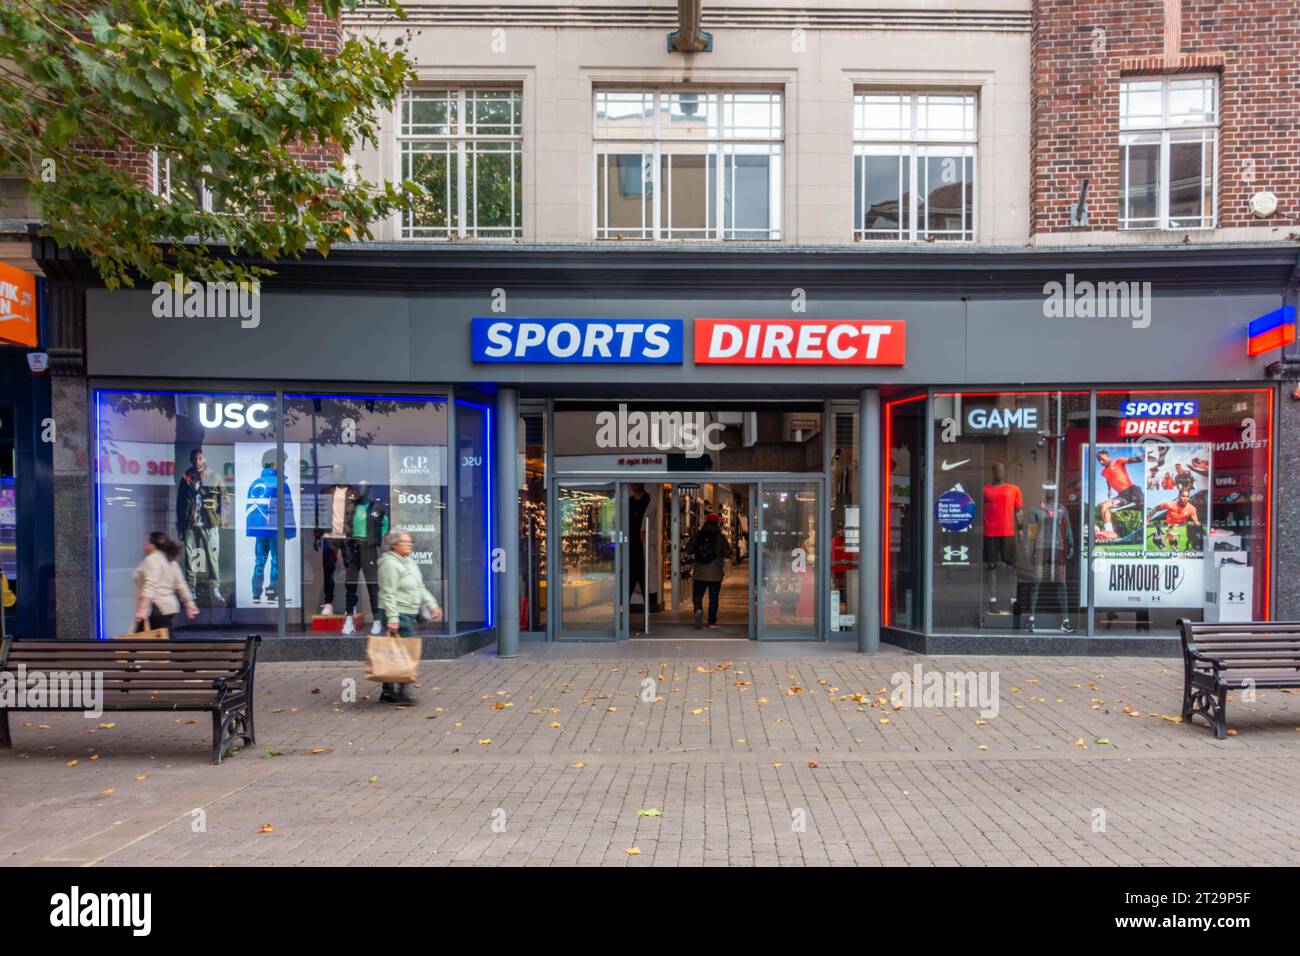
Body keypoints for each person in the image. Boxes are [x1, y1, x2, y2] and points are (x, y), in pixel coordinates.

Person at [376, 529, 442, 704]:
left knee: (396, 653)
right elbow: (387, 593)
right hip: (398, 612)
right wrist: (392, 618)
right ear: (394, 545)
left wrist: (432, 604)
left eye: (410, 542)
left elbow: (419, 587)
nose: (410, 545)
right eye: (405, 542)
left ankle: (389, 692)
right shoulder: (389, 564)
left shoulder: (408, 561)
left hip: (408, 612)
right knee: (408, 652)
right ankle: (401, 691)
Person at [176, 447, 226, 605]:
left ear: (204, 459)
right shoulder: (186, 478)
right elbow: (180, 503)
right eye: (195, 459)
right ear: (191, 460)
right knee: (190, 557)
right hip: (191, 522)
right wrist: (180, 524)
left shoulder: (214, 477)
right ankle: (191, 589)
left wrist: (221, 520)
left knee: (212, 557)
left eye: (200, 458)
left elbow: (224, 500)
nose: (198, 462)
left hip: (209, 523)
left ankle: (214, 589)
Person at [246, 449, 297, 604]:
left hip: (259, 532)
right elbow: (287, 510)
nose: (284, 466)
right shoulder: (281, 483)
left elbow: (250, 509)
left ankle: (256, 594)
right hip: (275, 531)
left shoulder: (255, 483)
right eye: (283, 463)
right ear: (275, 464)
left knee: (259, 561)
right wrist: (290, 531)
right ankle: (273, 593)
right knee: (276, 562)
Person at [133, 532, 199, 633]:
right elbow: (181, 584)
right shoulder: (170, 560)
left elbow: (150, 585)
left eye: (146, 541)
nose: (144, 543)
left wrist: (142, 608)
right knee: (152, 640)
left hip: (157, 608)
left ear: (152, 544)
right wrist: (189, 604)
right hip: (168, 608)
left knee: (137, 642)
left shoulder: (152, 560)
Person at [686, 511, 732, 629]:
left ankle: (698, 610)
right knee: (713, 598)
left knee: (697, 595)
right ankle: (711, 622)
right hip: (715, 574)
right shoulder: (720, 537)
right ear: (717, 523)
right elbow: (728, 553)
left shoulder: (698, 535)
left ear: (706, 521)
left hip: (699, 572)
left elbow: (689, 549)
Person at [1095, 450, 1144, 541]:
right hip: (1122, 496)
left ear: (1107, 455)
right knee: (1104, 505)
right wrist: (1109, 490)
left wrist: (1146, 455)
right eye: (1099, 461)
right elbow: (1108, 479)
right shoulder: (1103, 472)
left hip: (1133, 490)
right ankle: (1110, 532)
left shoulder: (1118, 461)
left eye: (1102, 459)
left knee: (1142, 504)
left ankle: (1146, 524)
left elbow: (1134, 460)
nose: (1101, 462)